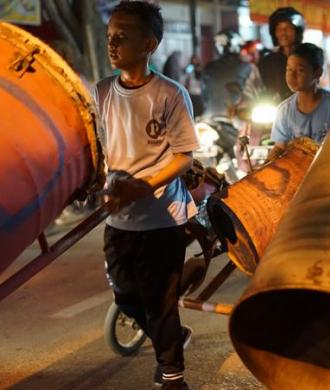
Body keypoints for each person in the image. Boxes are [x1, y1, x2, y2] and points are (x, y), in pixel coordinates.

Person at [94, 2, 199, 389]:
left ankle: (173, 376)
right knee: (126, 298)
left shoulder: (170, 94)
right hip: (117, 218)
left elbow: (184, 157)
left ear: (149, 43)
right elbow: (99, 148)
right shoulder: (103, 91)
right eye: (110, 36)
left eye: (123, 35)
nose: (113, 43)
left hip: (161, 219)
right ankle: (171, 337)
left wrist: (144, 186)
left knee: (160, 302)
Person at [269, 43, 330, 158]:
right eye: (289, 69)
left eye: (300, 70)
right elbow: (280, 147)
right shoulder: (284, 111)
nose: (292, 75)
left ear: (317, 72)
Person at [200, 30, 260, 118]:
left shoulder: (207, 68)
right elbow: (259, 91)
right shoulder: (249, 67)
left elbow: (204, 97)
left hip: (209, 117)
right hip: (239, 119)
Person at [258, 7, 305, 102]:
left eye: (288, 28)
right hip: (273, 109)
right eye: (279, 29)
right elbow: (257, 88)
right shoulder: (267, 61)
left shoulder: (309, 57)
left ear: (297, 31)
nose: (283, 33)